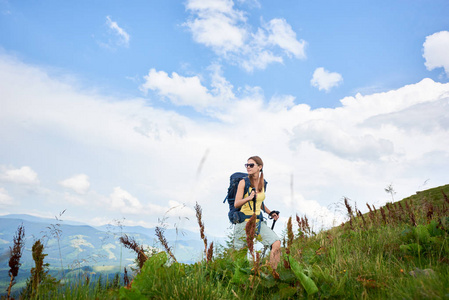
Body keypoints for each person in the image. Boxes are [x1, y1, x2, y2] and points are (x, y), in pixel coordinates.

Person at [233, 156, 280, 270]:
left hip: (259, 222)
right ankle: (240, 284)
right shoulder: (243, 183)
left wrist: (270, 213)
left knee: (276, 243)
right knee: (240, 258)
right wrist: (248, 198)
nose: (248, 167)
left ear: (260, 167)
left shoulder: (262, 183)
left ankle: (272, 274)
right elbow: (236, 204)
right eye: (247, 165)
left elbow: (259, 202)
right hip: (244, 222)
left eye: (251, 165)